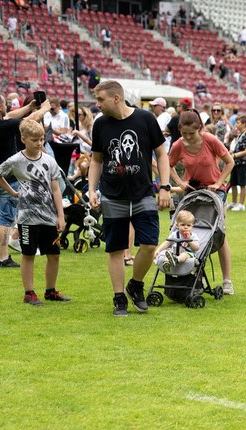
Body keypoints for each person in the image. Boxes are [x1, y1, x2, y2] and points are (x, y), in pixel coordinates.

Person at [88, 80, 172, 316]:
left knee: (149, 244)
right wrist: (92, 189)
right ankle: (119, 298)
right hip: (112, 196)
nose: (98, 105)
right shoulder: (100, 124)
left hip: (143, 192)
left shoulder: (145, 119)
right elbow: (96, 160)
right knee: (116, 249)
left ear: (116, 98)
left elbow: (161, 153)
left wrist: (165, 186)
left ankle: (135, 285)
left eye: (101, 100)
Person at [0, 119, 68, 305]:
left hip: (49, 216)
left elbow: (56, 189)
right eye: (35, 140)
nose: (39, 143)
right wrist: (13, 192)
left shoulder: (49, 160)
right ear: (23, 139)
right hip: (27, 217)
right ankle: (29, 293)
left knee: (54, 254)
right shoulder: (16, 160)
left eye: (41, 139)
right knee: (29, 254)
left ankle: (51, 290)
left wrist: (61, 215)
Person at [0, 91, 51, 267]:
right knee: (6, 219)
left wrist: (28, 106)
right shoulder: (5, 126)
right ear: (0, 107)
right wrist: (44, 109)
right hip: (7, 178)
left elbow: (11, 116)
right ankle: (3, 258)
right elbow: (29, 121)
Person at [168, 110, 234, 292]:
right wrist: (180, 183)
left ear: (200, 128)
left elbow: (230, 162)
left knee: (218, 235)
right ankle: (195, 277)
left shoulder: (210, 140)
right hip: (192, 193)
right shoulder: (178, 145)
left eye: (192, 133)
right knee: (191, 233)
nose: (188, 137)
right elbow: (168, 164)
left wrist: (219, 182)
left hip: (214, 193)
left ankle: (227, 280)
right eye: (184, 133)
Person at [154, 209, 199, 274]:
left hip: (188, 253)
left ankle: (176, 260)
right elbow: (167, 242)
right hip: (174, 252)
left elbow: (196, 248)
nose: (186, 227)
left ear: (192, 226)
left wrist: (189, 240)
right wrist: (158, 250)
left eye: (188, 225)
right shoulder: (174, 234)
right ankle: (167, 263)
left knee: (184, 255)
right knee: (165, 252)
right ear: (177, 225)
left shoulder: (193, 236)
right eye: (183, 225)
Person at [228, 115, 246, 211]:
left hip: (241, 163)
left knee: (242, 184)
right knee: (233, 183)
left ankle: (241, 204)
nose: (236, 124)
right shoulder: (239, 134)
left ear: (244, 124)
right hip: (235, 162)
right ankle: (234, 202)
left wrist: (234, 155)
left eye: (238, 123)